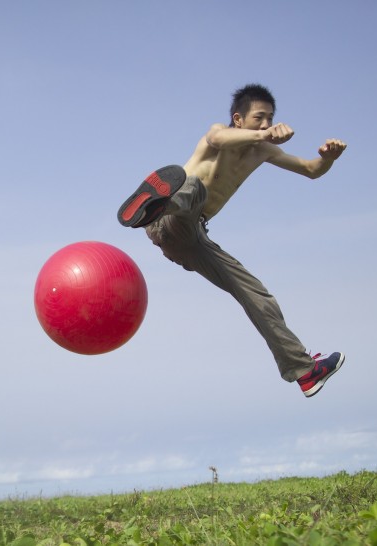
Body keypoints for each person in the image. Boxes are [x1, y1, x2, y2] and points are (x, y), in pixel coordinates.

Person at [117, 83, 347, 398]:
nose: (266, 125)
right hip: (169, 218)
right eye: (259, 118)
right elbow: (217, 137)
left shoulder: (264, 150)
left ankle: (305, 371)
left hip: (189, 238)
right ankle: (156, 206)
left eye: (270, 119)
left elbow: (310, 169)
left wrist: (328, 158)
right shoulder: (219, 135)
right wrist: (264, 136)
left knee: (256, 294)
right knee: (195, 188)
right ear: (238, 119)